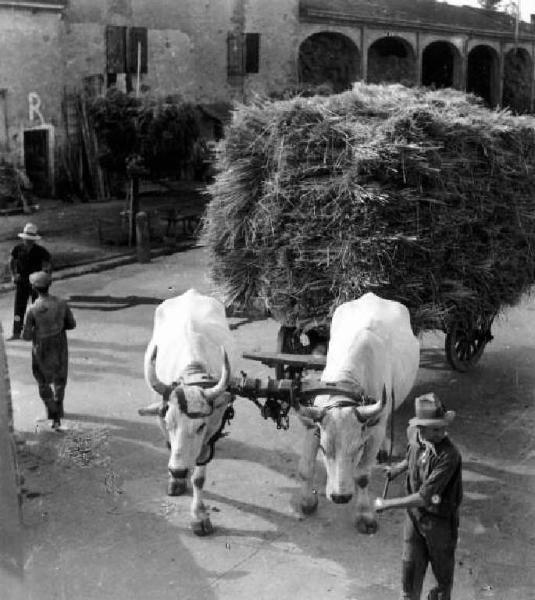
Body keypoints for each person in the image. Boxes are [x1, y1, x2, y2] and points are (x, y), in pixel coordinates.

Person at [373, 393, 463, 600]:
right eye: (435, 428)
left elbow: (424, 497)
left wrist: (387, 504)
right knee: (410, 574)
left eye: (442, 427)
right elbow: (413, 455)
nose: (442, 432)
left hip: (439, 523)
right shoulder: (414, 435)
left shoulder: (449, 455)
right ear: (421, 429)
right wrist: (398, 468)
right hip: (414, 519)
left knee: (442, 583)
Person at [22, 271, 76, 431]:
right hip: (59, 343)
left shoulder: (32, 309)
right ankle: (59, 409)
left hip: (41, 346)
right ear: (49, 285)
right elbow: (71, 324)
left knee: (43, 381)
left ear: (34, 288)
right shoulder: (61, 303)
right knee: (60, 378)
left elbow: (26, 335)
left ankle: (52, 414)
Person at [7, 223, 51, 340]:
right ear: (23, 238)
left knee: (37, 308)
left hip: (36, 283)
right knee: (18, 309)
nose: (28, 241)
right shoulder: (18, 249)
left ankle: (38, 331)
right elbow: (11, 261)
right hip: (22, 282)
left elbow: (47, 265)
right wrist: (13, 275)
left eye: (31, 240)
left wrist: (45, 276)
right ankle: (16, 332)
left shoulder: (40, 251)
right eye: (27, 239)